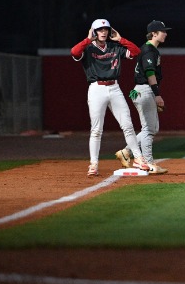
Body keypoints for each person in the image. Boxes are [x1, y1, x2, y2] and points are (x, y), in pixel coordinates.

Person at [71, 19, 150, 177]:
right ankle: (94, 164)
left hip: (114, 88)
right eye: (100, 30)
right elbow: (74, 52)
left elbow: (136, 52)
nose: (103, 32)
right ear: (94, 32)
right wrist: (88, 39)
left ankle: (138, 158)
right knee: (96, 130)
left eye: (105, 29)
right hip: (96, 89)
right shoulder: (88, 48)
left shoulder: (114, 47)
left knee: (127, 125)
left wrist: (120, 39)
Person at [115, 20, 171, 174]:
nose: (165, 34)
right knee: (149, 129)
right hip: (144, 90)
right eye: (163, 31)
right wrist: (157, 94)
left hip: (141, 91)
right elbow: (150, 73)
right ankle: (148, 163)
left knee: (152, 128)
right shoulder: (148, 50)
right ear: (154, 34)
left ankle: (126, 152)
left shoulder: (151, 49)